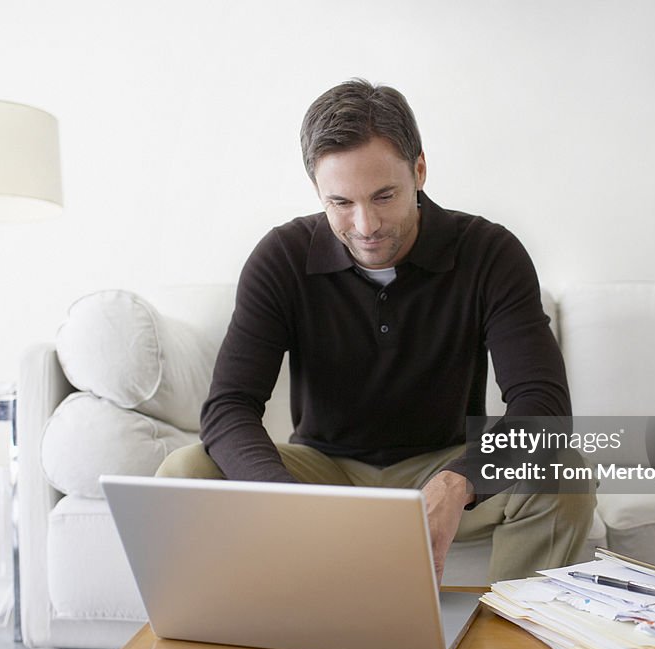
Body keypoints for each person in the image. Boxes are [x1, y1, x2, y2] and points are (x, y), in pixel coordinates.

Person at [156, 78, 595, 583]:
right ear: (317, 192)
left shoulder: (490, 253)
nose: (365, 225)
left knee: (563, 469)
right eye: (340, 202)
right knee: (185, 473)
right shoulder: (281, 257)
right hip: (325, 471)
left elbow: (543, 406)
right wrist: (288, 499)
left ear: (420, 171)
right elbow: (228, 407)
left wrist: (460, 481)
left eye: (384, 195)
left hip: (442, 465)